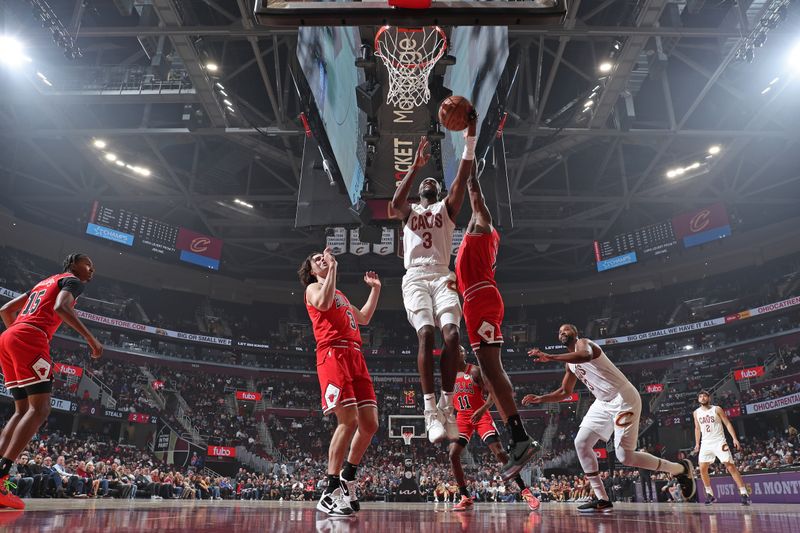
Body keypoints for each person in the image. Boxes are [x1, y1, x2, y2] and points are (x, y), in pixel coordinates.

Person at [522, 324, 696, 513]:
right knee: (581, 443)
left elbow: (585, 356)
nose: (562, 332)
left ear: (575, 332)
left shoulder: (584, 343)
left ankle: (679, 469)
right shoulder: (569, 364)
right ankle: (602, 499)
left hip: (623, 398)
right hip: (602, 402)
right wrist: (542, 398)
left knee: (625, 456)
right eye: (559, 331)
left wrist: (550, 357)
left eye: (566, 329)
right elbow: (565, 391)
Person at [388, 107, 477, 444]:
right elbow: (396, 202)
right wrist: (414, 167)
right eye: (423, 182)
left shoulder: (446, 209)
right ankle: (429, 411)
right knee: (426, 334)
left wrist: (470, 134)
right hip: (414, 277)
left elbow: (464, 175)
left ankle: (446, 403)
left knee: (452, 336)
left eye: (431, 182)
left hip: (442, 275)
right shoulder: (409, 212)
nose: (427, 183)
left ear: (437, 190)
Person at [454, 164, 539, 479]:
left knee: (492, 369)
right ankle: (517, 438)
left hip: (481, 300)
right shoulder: (472, 245)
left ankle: (520, 438)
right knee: (489, 373)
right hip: (476, 301)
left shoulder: (483, 229)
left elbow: (480, 209)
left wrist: (472, 181)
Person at [0, 253, 102, 509]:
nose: (92, 269)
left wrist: (17, 335)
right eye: (88, 264)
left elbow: (5, 310)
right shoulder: (72, 281)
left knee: (22, 410)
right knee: (40, 408)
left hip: (8, 335)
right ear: (73, 264)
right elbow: (61, 308)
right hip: (29, 337)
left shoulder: (45, 282)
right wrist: (91, 339)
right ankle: (1, 479)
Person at [299, 249, 381, 516]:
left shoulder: (341, 294)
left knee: (370, 423)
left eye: (324, 257)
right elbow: (322, 304)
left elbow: (364, 318)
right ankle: (329, 489)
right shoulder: (313, 288)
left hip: (356, 355)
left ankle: (348, 475)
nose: (322, 259)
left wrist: (376, 290)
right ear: (311, 270)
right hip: (333, 353)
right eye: (316, 259)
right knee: (348, 420)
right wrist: (332, 268)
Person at [449, 347, 540, 511]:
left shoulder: (475, 371)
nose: (458, 353)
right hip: (462, 418)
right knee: (453, 454)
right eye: (456, 351)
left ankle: (526, 492)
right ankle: (465, 496)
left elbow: (492, 393)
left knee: (499, 453)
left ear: (464, 354)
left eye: (461, 351)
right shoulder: (448, 376)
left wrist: (483, 409)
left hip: (481, 416)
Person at [693, 390, 750, 505]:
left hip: (719, 441)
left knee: (730, 466)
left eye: (704, 396)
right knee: (702, 468)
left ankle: (744, 493)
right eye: (700, 396)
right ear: (698, 400)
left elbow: (727, 423)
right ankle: (710, 494)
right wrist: (697, 443)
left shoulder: (717, 409)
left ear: (708, 398)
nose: (702, 398)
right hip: (706, 443)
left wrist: (734, 438)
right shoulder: (696, 412)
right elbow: (697, 428)